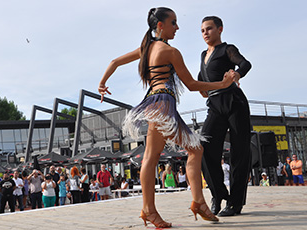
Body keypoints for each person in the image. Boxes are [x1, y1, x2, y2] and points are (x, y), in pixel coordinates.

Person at [98, 7, 233, 227]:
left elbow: (114, 62)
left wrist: (102, 83)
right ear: (160, 25)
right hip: (162, 103)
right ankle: (153, 209)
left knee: (181, 151)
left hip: (156, 101)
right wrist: (223, 84)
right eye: (173, 23)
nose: (177, 27)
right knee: (159, 156)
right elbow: (191, 85)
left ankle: (194, 202)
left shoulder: (146, 48)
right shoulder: (170, 52)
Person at [197, 15, 252, 217]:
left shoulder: (227, 49)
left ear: (220, 29)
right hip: (214, 105)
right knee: (203, 149)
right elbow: (201, 81)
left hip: (234, 102)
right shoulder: (203, 54)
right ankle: (218, 194)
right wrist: (203, 88)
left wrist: (236, 74)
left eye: (209, 29)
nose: (205, 33)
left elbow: (245, 64)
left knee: (240, 152)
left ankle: (235, 203)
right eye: (203, 30)